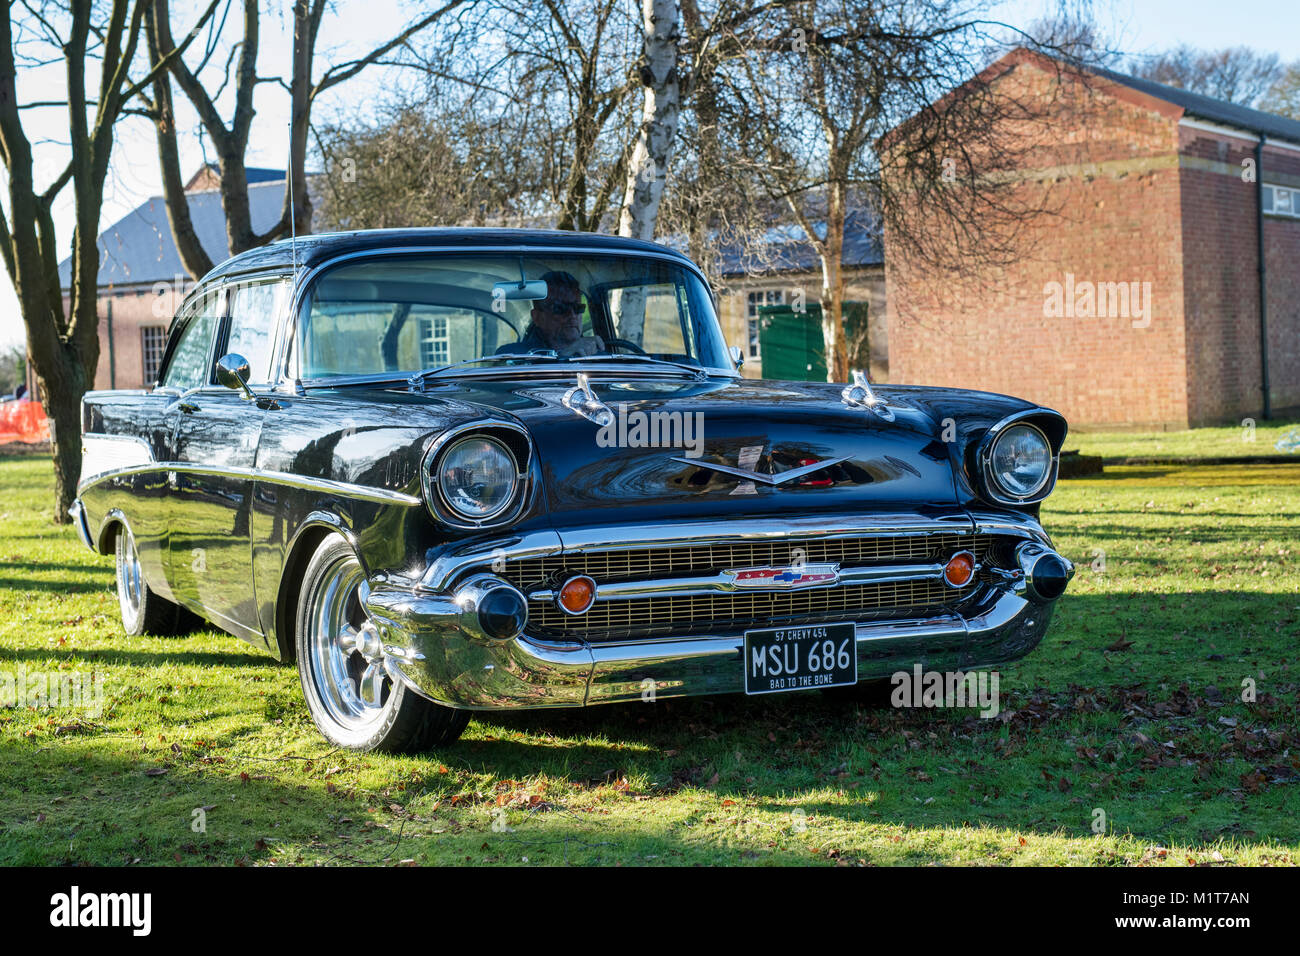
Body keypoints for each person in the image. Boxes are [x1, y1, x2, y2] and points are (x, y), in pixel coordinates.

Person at [497, 270, 605, 357]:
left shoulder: (598, 356)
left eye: (578, 308)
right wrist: (564, 355)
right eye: (560, 308)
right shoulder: (513, 355)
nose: (572, 315)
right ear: (537, 317)